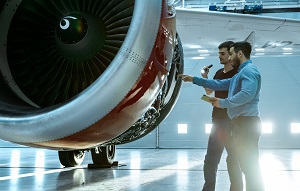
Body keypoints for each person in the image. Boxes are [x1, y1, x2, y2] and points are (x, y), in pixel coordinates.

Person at [178, 41, 264, 191]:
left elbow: (247, 94)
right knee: (246, 165)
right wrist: (195, 79)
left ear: (239, 54)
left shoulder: (249, 71)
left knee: (248, 166)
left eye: (230, 54)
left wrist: (223, 103)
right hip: (239, 123)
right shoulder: (241, 73)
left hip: (246, 124)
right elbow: (218, 84)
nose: (229, 58)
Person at [200, 41, 243, 191]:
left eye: (222, 54)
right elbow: (209, 91)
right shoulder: (218, 73)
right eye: (219, 53)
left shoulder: (238, 74)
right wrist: (205, 76)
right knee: (210, 159)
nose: (219, 56)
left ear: (231, 55)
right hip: (217, 121)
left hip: (232, 122)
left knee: (233, 160)